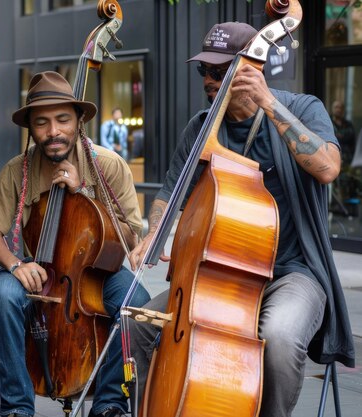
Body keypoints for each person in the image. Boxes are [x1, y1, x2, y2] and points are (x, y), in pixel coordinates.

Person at [128, 22, 355, 417]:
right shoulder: (201, 128)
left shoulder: (302, 108)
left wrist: (268, 102)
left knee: (279, 337)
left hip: (294, 272)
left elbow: (328, 168)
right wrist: (154, 235)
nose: (209, 81)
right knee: (140, 327)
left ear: (252, 68)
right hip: (218, 276)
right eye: (205, 71)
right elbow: (169, 193)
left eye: (220, 71)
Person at [0, 71, 149, 417]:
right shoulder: (17, 170)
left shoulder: (108, 165)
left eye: (62, 120)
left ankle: (110, 402)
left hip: (97, 270)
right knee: (3, 295)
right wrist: (15, 265)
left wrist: (83, 194)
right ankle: (16, 407)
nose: (53, 131)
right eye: (41, 123)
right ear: (31, 128)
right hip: (37, 266)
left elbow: (131, 234)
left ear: (79, 121)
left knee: (138, 306)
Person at [330, 100, 356, 167]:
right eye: (336, 107)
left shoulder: (349, 125)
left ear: (343, 110)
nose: (338, 109)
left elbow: (353, 143)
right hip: (331, 159)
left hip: (347, 161)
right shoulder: (328, 124)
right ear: (332, 109)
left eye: (340, 107)